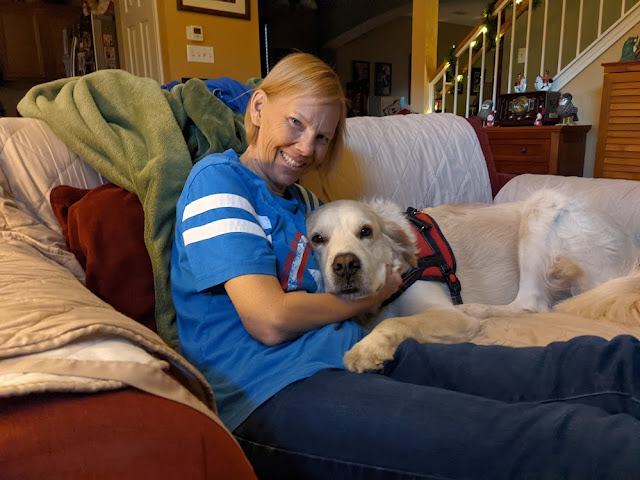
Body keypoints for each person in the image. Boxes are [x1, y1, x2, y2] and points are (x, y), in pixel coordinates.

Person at [171, 53, 640, 479]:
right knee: (522, 435)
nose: (307, 147)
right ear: (258, 108)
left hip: (355, 354)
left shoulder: (306, 204)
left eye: (322, 137)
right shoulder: (219, 181)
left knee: (555, 368)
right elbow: (269, 319)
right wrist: (375, 296)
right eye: (295, 123)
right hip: (274, 393)